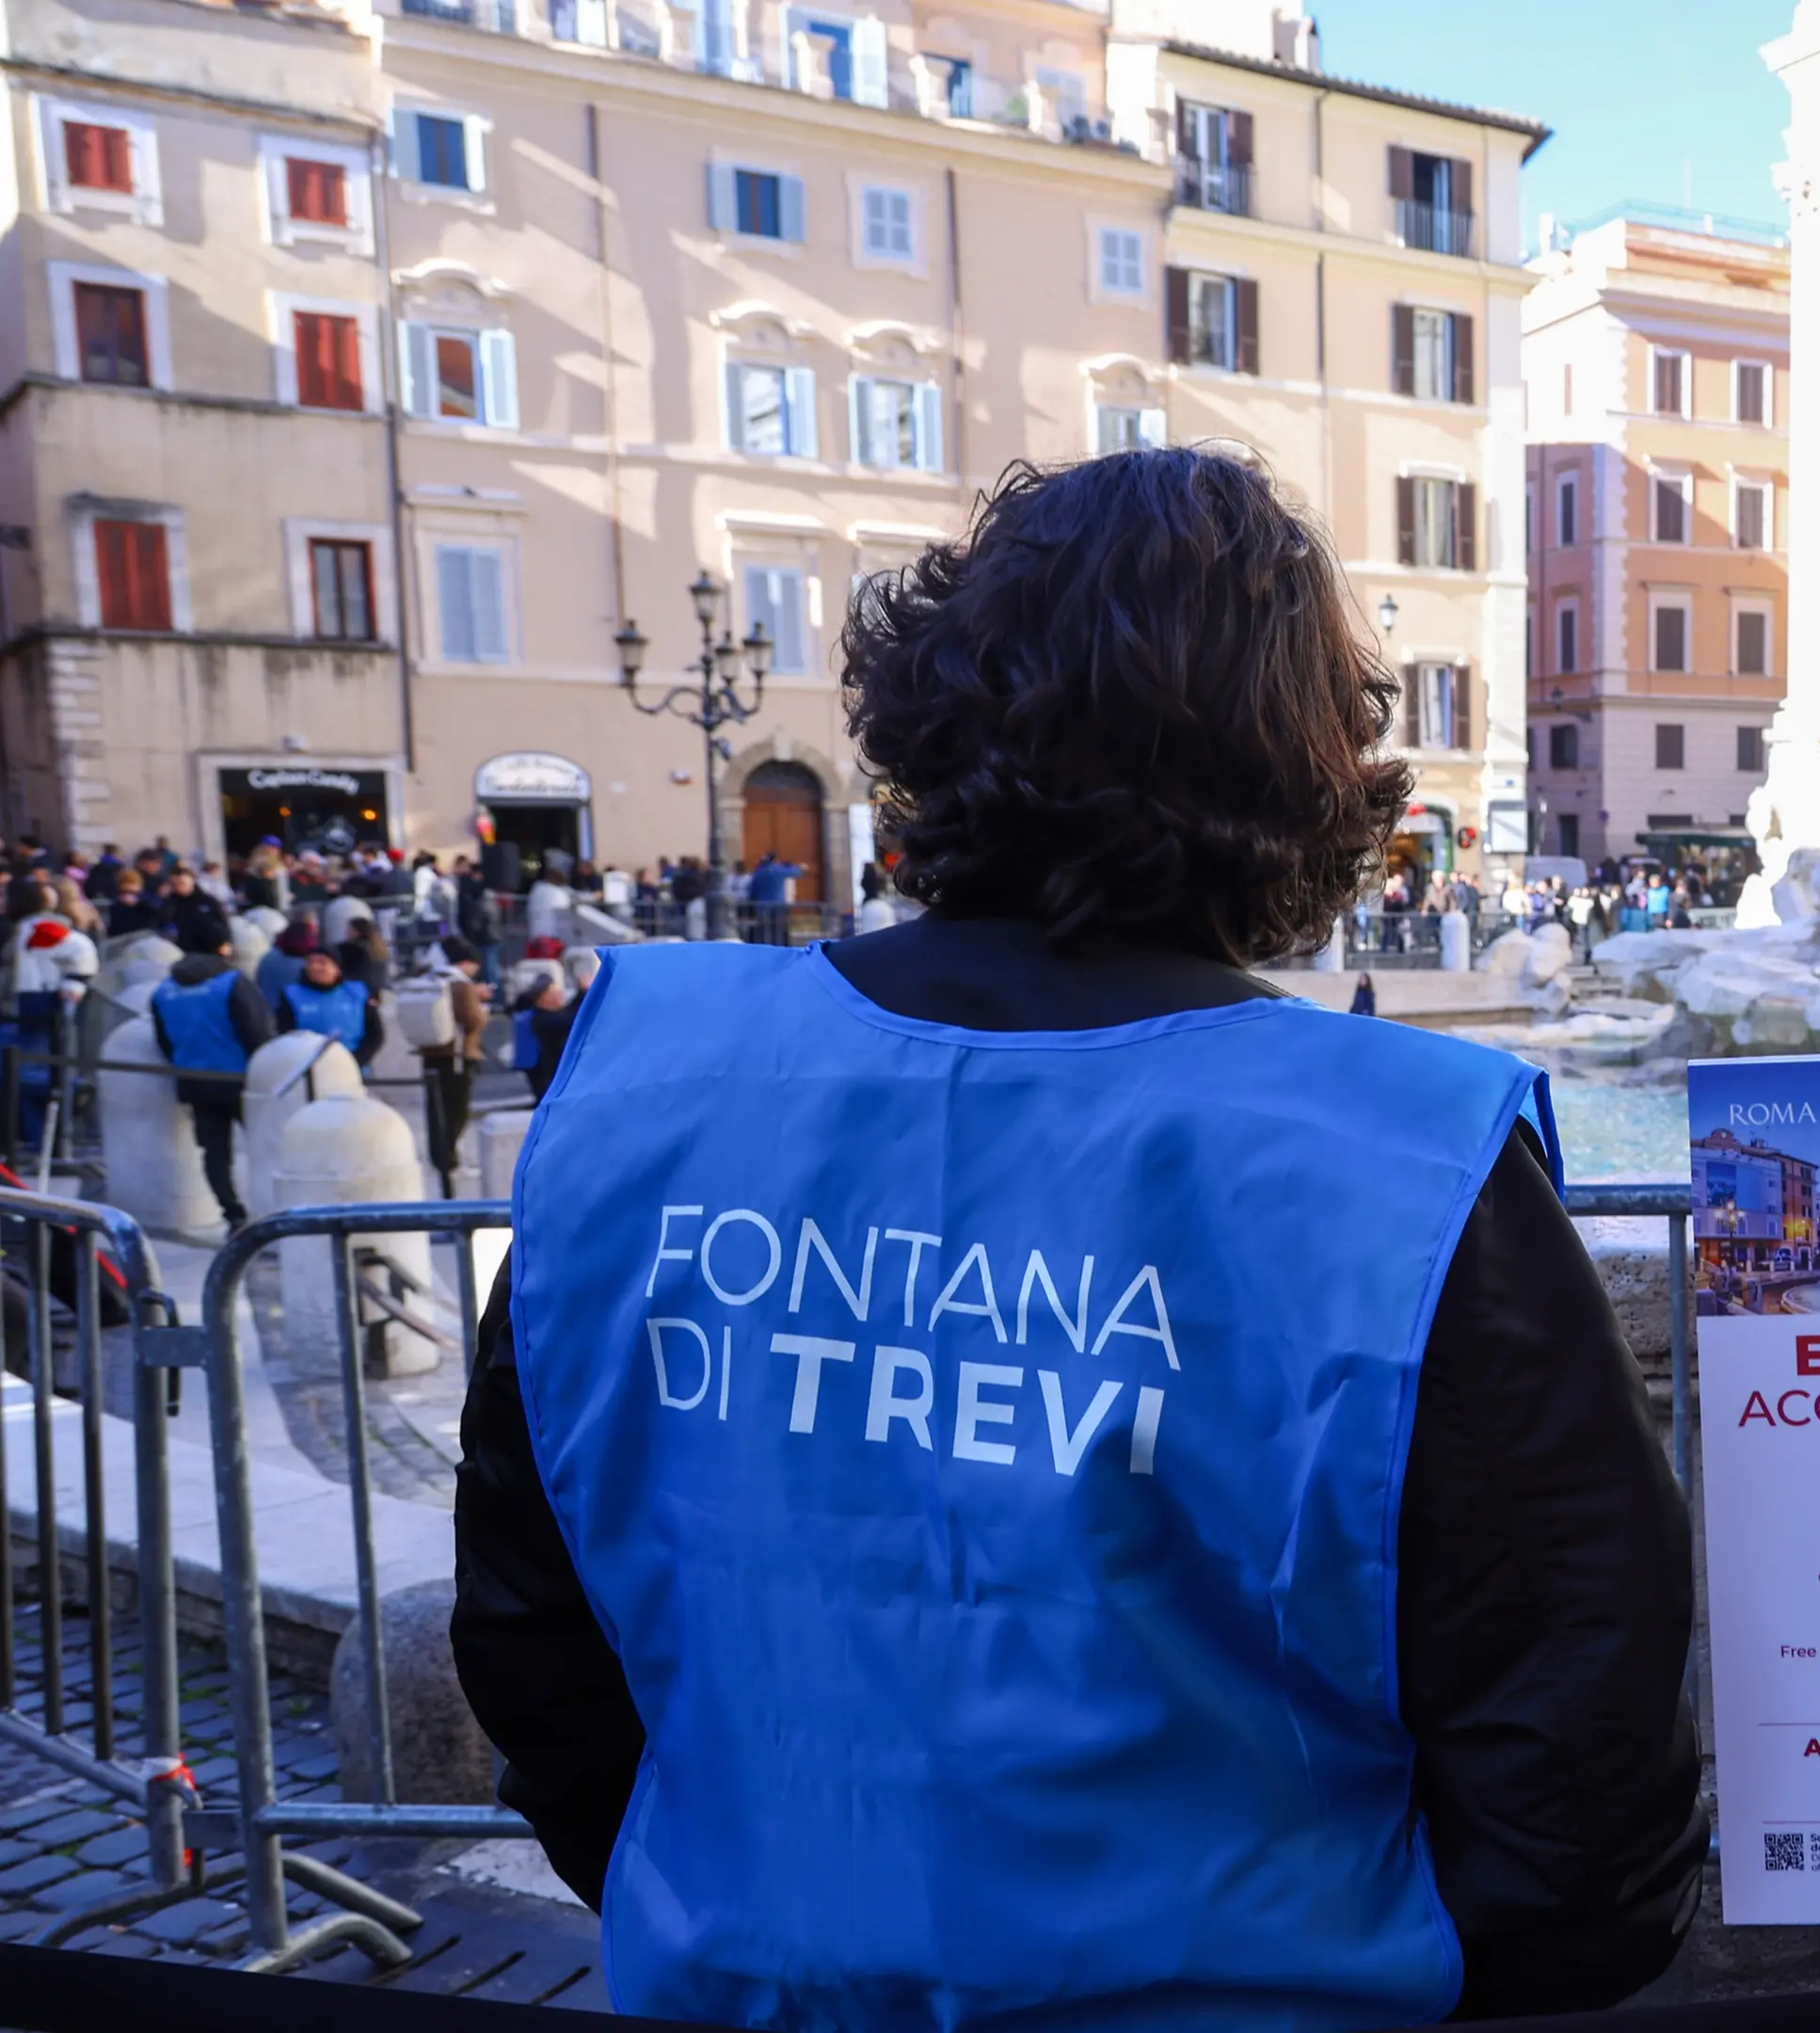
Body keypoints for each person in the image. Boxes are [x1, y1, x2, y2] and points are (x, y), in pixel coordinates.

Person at [453, 448, 1700, 2029]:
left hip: (738, 1982)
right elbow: (1576, 1749)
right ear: (1308, 767)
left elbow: (532, 1622)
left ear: (927, 712)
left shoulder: (647, 1078)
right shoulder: (1400, 1156)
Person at [148, 935, 275, 1228]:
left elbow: (164, 1041)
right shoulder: (231, 983)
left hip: (195, 1082)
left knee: (215, 1153)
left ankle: (233, 1213)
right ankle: (270, 1209)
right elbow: (256, 1029)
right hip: (242, 1079)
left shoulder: (163, 991)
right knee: (264, 1146)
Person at [8, 876, 96, 1146]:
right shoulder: (38, 926)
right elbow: (82, 952)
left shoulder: (35, 927)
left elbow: (81, 952)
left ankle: (41, 1139)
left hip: (34, 1002)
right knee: (34, 1071)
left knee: (30, 1071)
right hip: (37, 1002)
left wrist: (73, 984)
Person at [398, 938, 489, 1194]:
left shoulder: (429, 978)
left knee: (435, 1107)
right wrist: (483, 1005)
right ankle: (448, 1159)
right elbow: (474, 1020)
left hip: (430, 1052)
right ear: (466, 963)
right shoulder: (460, 984)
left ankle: (438, 1156)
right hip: (458, 1055)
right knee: (456, 1110)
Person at [278, 947, 383, 1065]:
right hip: (308, 1068)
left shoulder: (357, 992)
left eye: (322, 963)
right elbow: (285, 1034)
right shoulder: (291, 995)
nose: (315, 967)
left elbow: (375, 1034)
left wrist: (355, 1062)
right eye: (310, 962)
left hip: (354, 1065)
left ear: (336, 969)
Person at [508, 968, 575, 1100]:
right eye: (554, 992)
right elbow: (570, 1018)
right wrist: (583, 992)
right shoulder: (544, 1019)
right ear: (544, 997)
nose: (559, 994)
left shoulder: (545, 1015)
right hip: (545, 1071)